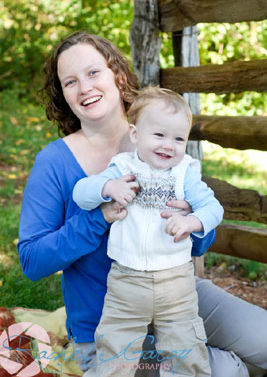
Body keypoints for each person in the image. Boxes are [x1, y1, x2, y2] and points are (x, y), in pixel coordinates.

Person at [18, 31, 267, 376]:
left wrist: (191, 219)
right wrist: (98, 218)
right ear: (63, 95)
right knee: (226, 371)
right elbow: (32, 259)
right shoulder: (55, 163)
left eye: (92, 73)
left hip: (178, 296)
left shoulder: (161, 137)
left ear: (116, 74)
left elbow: (201, 241)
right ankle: (228, 360)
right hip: (110, 323)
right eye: (69, 81)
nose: (84, 87)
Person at [72, 87, 223, 376]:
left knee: (186, 349)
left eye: (179, 138)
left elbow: (214, 209)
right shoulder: (121, 168)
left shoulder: (185, 174)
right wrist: (107, 188)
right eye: (159, 135)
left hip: (176, 283)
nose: (169, 145)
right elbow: (81, 193)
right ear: (135, 134)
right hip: (126, 282)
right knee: (115, 350)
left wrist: (192, 221)